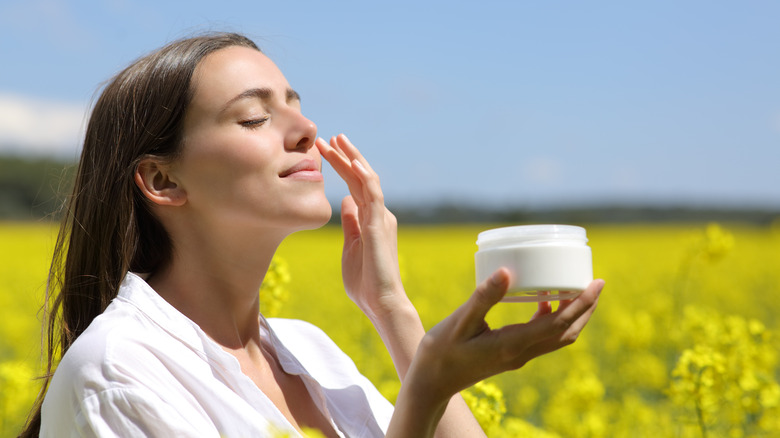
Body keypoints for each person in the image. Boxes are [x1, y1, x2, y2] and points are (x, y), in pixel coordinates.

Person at [20, 32, 604, 438]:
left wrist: (392, 310)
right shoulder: (120, 373)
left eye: (297, 108)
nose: (306, 131)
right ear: (163, 179)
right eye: (254, 118)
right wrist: (423, 391)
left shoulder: (312, 353)